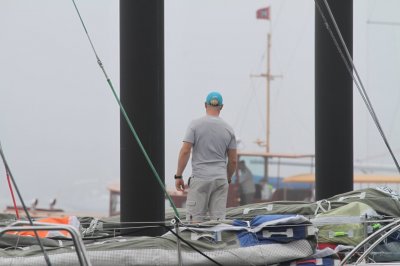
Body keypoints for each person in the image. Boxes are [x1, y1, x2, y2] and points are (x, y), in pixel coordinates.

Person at [174, 91, 237, 222]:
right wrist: (228, 178)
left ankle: (195, 242)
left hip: (200, 179)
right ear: (222, 107)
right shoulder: (229, 129)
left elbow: (185, 151)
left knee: (194, 223)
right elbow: (233, 161)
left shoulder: (195, 125)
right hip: (220, 180)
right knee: (218, 223)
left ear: (205, 105)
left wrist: (179, 176)